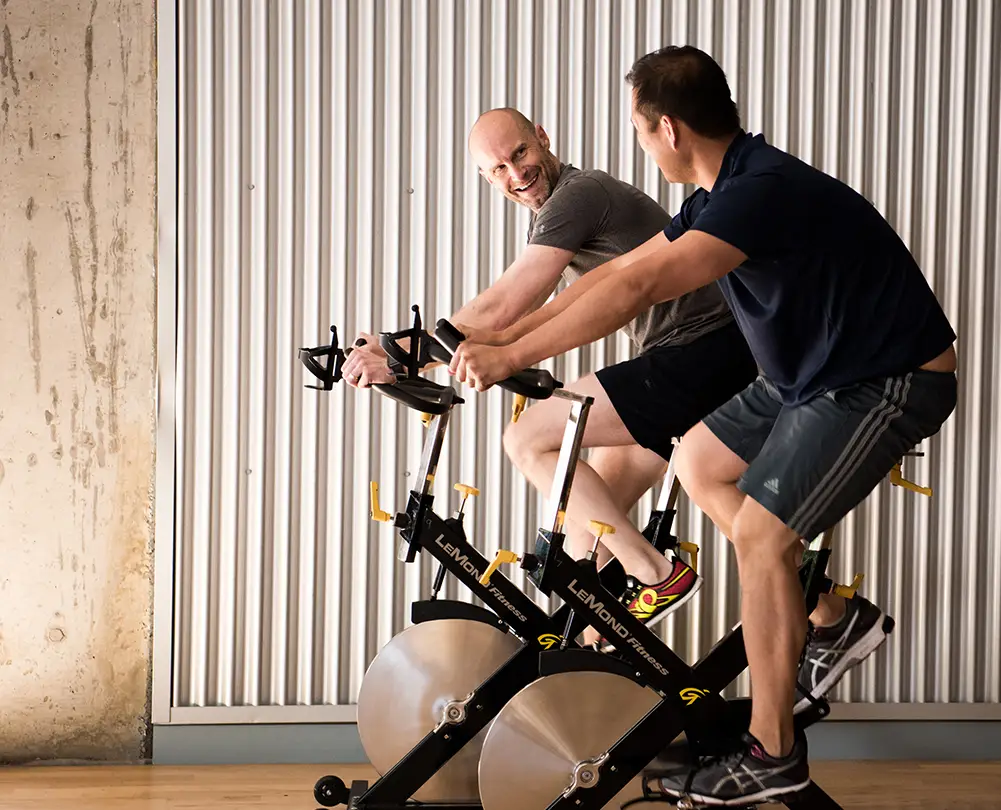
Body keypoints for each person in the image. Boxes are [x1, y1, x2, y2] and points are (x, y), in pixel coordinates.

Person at [445, 47, 959, 806]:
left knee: (760, 537)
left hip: (886, 378)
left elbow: (640, 287)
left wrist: (510, 350)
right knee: (699, 461)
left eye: (639, 130)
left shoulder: (757, 195)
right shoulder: (721, 190)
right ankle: (833, 620)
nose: (640, 146)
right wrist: (493, 346)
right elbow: (617, 275)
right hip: (806, 380)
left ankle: (774, 752)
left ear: (670, 129)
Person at [341, 106, 756, 636]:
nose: (516, 174)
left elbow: (504, 307)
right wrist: (405, 351)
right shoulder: (560, 211)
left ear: (542, 138)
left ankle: (659, 575)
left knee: (528, 441)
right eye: (498, 169)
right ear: (486, 179)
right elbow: (517, 320)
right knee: (591, 541)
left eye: (520, 153)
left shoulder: (578, 197)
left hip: (708, 351)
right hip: (683, 358)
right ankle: (600, 691)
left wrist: (397, 351)